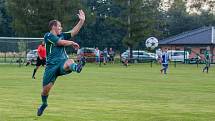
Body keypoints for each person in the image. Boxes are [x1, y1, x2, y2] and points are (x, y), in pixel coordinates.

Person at [37, 10, 86, 116]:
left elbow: (73, 31)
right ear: (54, 27)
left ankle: (77, 67)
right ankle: (44, 104)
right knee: (45, 91)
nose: (61, 28)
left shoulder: (63, 35)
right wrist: (72, 42)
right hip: (51, 67)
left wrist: (81, 21)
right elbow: (59, 42)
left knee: (69, 61)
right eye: (60, 26)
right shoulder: (48, 36)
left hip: (62, 63)